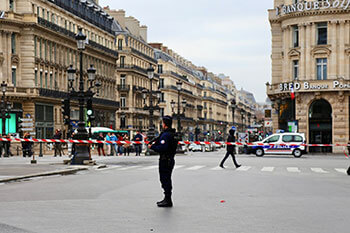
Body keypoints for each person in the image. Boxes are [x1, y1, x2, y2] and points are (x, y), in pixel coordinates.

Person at [149, 116, 178, 208]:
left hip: (165, 160)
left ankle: (168, 199)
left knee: (165, 179)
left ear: (164, 124)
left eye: (162, 123)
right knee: (166, 179)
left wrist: (152, 147)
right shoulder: (171, 133)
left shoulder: (166, 135)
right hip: (169, 159)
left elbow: (162, 148)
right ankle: (167, 198)